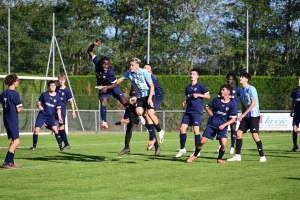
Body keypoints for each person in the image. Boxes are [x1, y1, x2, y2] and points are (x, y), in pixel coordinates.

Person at [117, 57, 164, 150]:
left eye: (132, 65)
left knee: (150, 114)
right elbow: (119, 80)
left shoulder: (145, 73)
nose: (130, 67)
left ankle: (160, 131)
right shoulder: (129, 73)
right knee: (139, 112)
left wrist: (150, 98)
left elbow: (152, 86)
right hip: (140, 97)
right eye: (130, 65)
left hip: (150, 95)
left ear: (137, 66)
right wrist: (108, 86)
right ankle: (151, 138)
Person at [187, 84, 237, 163]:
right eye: (221, 89)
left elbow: (233, 119)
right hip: (212, 125)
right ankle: (195, 155)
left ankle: (219, 159)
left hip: (222, 127)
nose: (221, 91)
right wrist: (208, 111)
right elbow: (207, 106)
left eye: (223, 90)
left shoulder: (232, 104)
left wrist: (224, 125)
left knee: (224, 145)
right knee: (202, 141)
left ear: (228, 92)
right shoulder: (216, 100)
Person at [87, 38, 127, 129]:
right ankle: (104, 122)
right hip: (103, 87)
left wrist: (106, 87)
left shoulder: (110, 72)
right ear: (101, 63)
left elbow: (115, 84)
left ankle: (137, 115)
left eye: (107, 65)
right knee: (103, 101)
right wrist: (93, 45)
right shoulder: (97, 62)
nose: (106, 66)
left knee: (124, 102)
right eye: (104, 64)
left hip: (112, 86)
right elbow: (89, 51)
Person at [227, 71, 267, 162]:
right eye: (240, 76)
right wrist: (242, 113)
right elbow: (243, 104)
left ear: (247, 79)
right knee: (238, 133)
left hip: (253, 116)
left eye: (242, 77)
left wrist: (243, 114)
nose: (240, 78)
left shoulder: (251, 89)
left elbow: (253, 103)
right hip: (246, 116)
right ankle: (237, 155)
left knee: (255, 136)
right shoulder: (241, 90)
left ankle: (262, 156)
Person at [175, 68, 210, 158]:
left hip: (197, 112)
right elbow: (189, 97)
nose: (191, 75)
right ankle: (182, 149)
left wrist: (199, 95)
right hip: (188, 111)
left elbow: (208, 96)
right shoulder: (188, 87)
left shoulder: (200, 86)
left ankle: (197, 151)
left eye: (193, 74)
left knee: (196, 131)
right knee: (182, 129)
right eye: (191, 74)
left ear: (197, 76)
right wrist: (185, 101)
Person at [118, 86, 161, 156]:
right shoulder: (133, 87)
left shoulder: (143, 87)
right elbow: (131, 101)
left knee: (150, 128)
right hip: (133, 112)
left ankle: (157, 146)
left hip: (141, 111)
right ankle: (126, 147)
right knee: (129, 128)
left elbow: (144, 99)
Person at [30, 80, 63, 151]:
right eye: (51, 86)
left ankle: (61, 146)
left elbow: (58, 109)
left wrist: (60, 117)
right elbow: (38, 102)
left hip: (51, 116)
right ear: (48, 87)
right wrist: (39, 105)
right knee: (36, 130)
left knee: (55, 130)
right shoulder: (44, 94)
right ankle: (34, 146)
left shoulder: (57, 97)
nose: (53, 87)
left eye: (54, 86)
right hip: (42, 115)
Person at [0, 74, 22, 169]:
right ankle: (6, 162)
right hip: (12, 118)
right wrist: (20, 108)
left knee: (13, 140)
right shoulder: (15, 94)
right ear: (13, 82)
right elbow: (19, 109)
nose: (18, 82)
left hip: (6, 118)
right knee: (17, 141)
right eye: (17, 81)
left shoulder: (3, 93)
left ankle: (11, 161)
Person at [216, 73, 241, 154]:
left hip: (233, 111)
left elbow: (243, 98)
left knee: (233, 128)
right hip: (224, 111)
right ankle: (221, 145)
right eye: (228, 79)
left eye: (230, 79)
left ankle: (232, 147)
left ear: (233, 80)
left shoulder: (237, 89)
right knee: (222, 127)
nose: (229, 80)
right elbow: (219, 98)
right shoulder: (223, 88)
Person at [55, 75, 76, 150]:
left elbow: (71, 102)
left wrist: (73, 112)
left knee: (61, 126)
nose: (61, 81)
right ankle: (63, 139)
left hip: (62, 110)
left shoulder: (67, 90)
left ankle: (66, 143)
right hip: (54, 110)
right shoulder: (56, 88)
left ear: (65, 80)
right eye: (59, 80)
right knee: (51, 125)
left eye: (62, 80)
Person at [290, 76, 300, 152]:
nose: (298, 82)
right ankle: (295, 145)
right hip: (296, 113)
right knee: (294, 129)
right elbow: (293, 102)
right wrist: (292, 111)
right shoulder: (294, 91)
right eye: (298, 80)